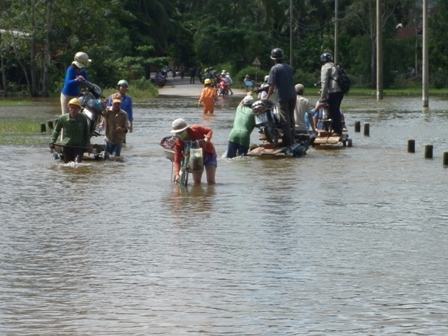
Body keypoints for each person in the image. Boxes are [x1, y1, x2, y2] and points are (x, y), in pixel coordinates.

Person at [170, 118, 217, 185]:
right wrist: (177, 174)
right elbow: (177, 160)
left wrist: (207, 138)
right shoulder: (179, 142)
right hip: (196, 157)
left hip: (209, 154)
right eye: (177, 133)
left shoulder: (196, 129)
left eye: (181, 132)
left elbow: (209, 131)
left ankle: (210, 194)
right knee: (197, 182)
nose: (179, 135)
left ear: (186, 129)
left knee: (211, 181)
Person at [266, 47, 296, 147]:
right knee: (291, 117)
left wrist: (267, 97)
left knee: (284, 120)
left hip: (283, 97)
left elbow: (271, 85)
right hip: (293, 95)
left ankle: (287, 142)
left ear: (273, 59)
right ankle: (293, 138)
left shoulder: (274, 68)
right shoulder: (289, 67)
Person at [50, 98, 91, 163]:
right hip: (67, 146)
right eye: (72, 108)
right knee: (67, 165)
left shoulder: (83, 119)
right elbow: (56, 131)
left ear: (79, 109)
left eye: (75, 108)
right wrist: (52, 141)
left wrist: (88, 145)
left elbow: (86, 133)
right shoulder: (62, 118)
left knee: (77, 164)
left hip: (79, 146)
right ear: (69, 108)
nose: (73, 110)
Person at [316, 52, 343, 135]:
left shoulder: (325, 67)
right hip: (340, 91)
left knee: (333, 111)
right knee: (336, 110)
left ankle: (337, 131)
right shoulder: (335, 66)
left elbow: (324, 83)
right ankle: (336, 129)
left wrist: (322, 98)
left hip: (333, 91)